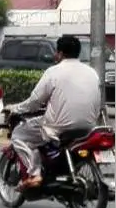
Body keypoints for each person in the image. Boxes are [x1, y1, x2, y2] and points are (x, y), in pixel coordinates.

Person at [6, 35, 101, 190]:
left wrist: (15, 109)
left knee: (19, 134)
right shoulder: (92, 73)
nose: (55, 55)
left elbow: (35, 102)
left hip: (58, 127)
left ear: (61, 53)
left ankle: (35, 174)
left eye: (57, 52)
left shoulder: (53, 72)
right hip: (88, 126)